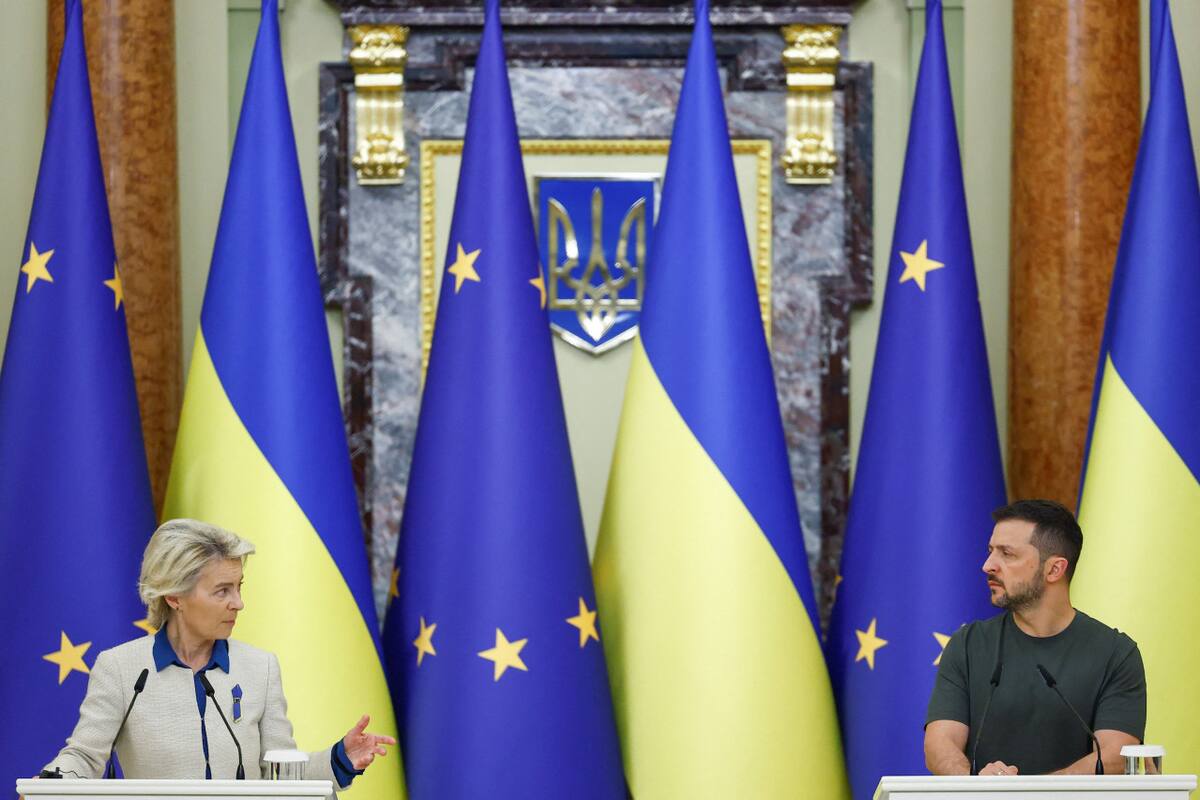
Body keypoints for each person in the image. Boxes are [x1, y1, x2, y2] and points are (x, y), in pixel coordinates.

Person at [42, 519, 394, 785]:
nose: (238, 604)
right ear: (174, 596)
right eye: (222, 591)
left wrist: (340, 759)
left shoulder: (261, 668)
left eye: (238, 588)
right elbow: (84, 757)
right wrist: (51, 785)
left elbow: (282, 772)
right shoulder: (121, 669)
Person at [924, 500, 1146, 776]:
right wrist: (974, 783)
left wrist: (1029, 792)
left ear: (1054, 569)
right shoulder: (968, 645)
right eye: (990, 551)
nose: (988, 565)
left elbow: (1115, 756)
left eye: (1007, 554)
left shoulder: (1115, 653)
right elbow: (939, 743)